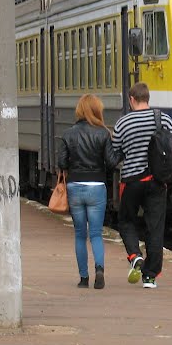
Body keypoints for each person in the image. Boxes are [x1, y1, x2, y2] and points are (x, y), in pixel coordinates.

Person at [112, 82, 172, 289]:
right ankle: (150, 276)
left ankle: (135, 256)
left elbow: (115, 153)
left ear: (132, 99)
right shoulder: (164, 119)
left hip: (132, 181)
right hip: (157, 181)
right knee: (155, 228)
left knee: (126, 221)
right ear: (148, 99)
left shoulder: (123, 123)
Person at [56, 94, 120, 289]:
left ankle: (83, 279)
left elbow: (61, 163)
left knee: (79, 235)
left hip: (75, 186)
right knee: (96, 234)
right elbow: (111, 163)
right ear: (97, 110)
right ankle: (99, 269)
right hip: (96, 187)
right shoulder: (103, 134)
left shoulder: (68, 134)